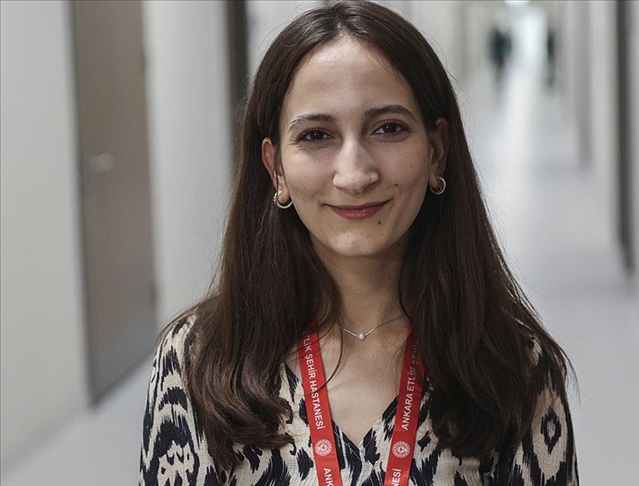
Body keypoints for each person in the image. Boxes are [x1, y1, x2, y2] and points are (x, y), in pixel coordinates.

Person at [139, 1, 578, 485]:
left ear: (436, 150)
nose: (354, 175)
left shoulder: (514, 370)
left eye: (388, 128)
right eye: (316, 135)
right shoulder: (198, 361)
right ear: (275, 168)